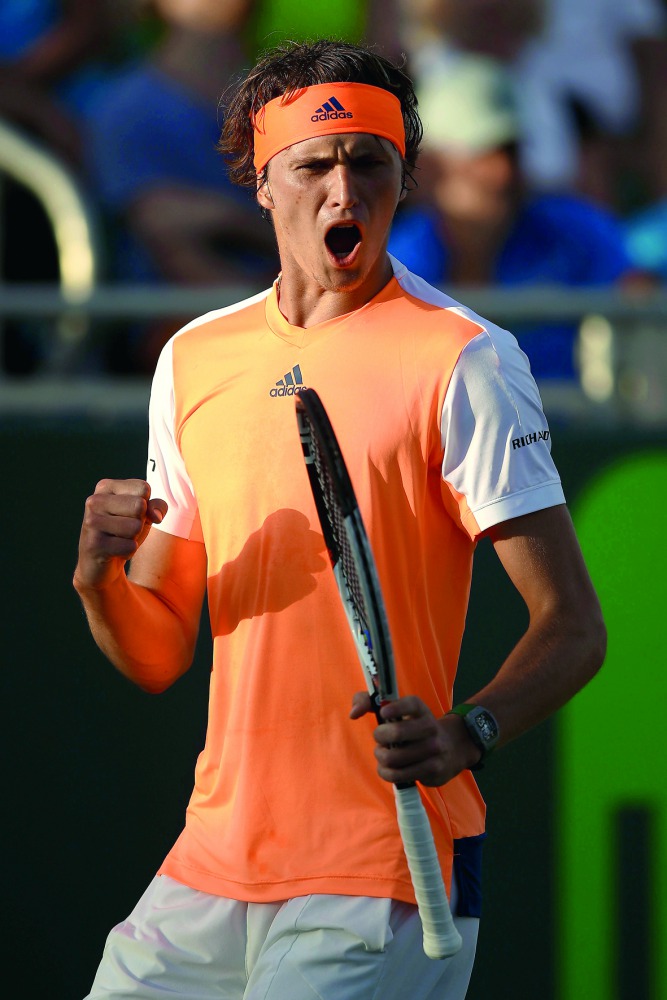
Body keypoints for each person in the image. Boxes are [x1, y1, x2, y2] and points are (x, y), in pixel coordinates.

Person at [73, 38, 606, 1000]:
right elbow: (155, 653)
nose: (342, 190)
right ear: (260, 182)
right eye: (312, 165)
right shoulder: (192, 360)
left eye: (369, 162)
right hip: (208, 864)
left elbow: (572, 627)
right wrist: (99, 578)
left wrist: (468, 732)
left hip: (382, 874)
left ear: (404, 179)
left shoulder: (467, 360)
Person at [388, 53, 636, 380]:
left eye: (511, 151)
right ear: (431, 165)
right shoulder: (398, 260)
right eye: (483, 153)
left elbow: (636, 298)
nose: (503, 172)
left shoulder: (578, 229)